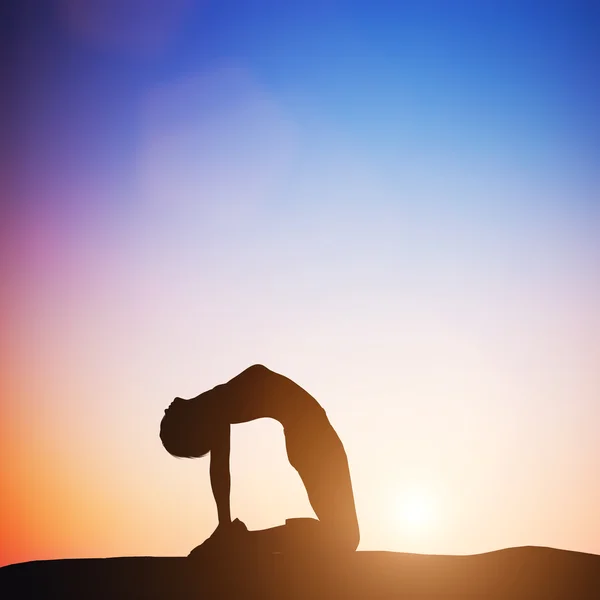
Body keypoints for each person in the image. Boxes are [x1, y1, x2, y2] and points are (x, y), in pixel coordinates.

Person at [159, 364, 360, 553]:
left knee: (342, 537)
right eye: (166, 421)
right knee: (344, 538)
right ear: (187, 429)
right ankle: (242, 541)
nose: (166, 409)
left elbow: (219, 467)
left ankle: (242, 541)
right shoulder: (214, 408)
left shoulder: (216, 400)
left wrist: (225, 528)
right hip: (312, 438)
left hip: (310, 436)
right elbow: (219, 468)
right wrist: (224, 526)